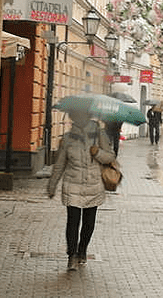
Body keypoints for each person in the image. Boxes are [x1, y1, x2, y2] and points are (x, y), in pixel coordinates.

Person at [47, 108, 116, 271]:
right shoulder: (68, 139)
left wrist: (97, 152)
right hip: (72, 185)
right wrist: (52, 185)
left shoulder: (100, 135)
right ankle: (71, 255)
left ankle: (82, 250)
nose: (77, 120)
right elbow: (60, 164)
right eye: (75, 117)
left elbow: (111, 157)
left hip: (94, 185)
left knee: (88, 223)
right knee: (72, 222)